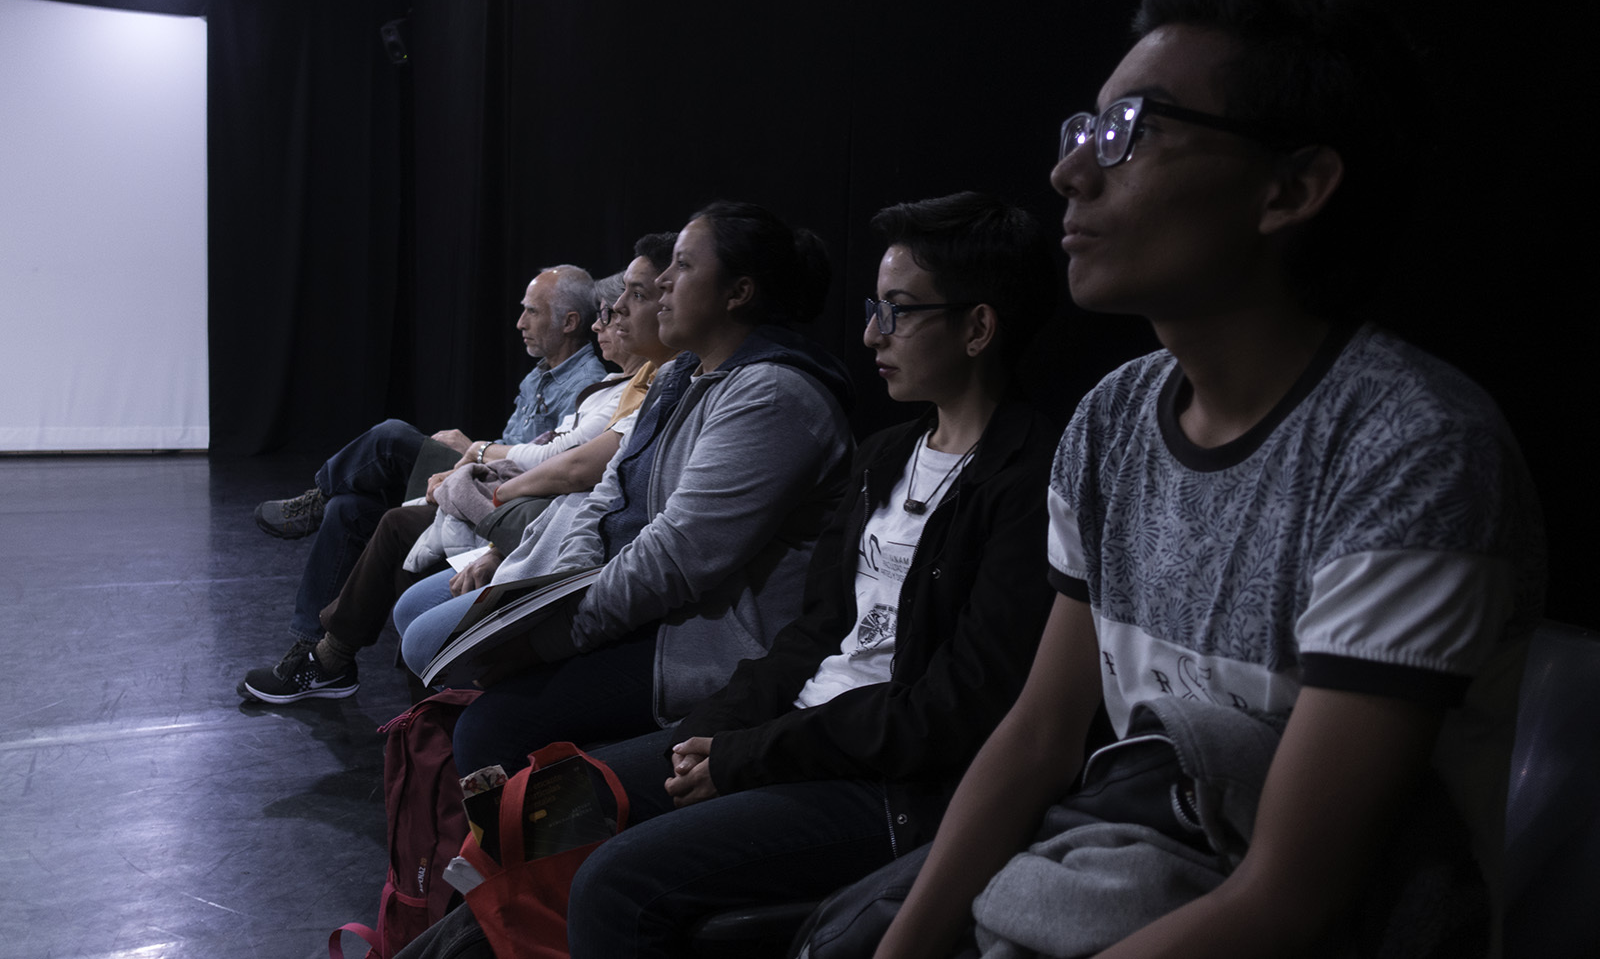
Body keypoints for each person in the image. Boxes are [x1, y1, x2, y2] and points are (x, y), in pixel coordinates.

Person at [867, 0, 1544, 959]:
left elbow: (1288, 899)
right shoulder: (1111, 418)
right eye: (1083, 130)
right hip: (1136, 872)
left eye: (1129, 130)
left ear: (1290, 188)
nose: (1070, 172)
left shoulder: (1412, 447)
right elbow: (1040, 734)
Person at [393, 191, 1062, 959]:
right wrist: (714, 728)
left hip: (881, 784)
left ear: (977, 328)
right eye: (873, 308)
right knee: (537, 814)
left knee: (608, 880)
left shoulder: (1026, 481)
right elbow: (814, 631)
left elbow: (947, 709)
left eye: (899, 311)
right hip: (782, 722)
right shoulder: (887, 454)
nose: (872, 332)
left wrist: (747, 749)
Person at [403, 201, 856, 776]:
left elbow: (673, 557)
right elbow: (605, 499)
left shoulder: (772, 396)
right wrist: (556, 593)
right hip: (634, 606)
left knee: (491, 728)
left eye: (683, 266)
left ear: (738, 293)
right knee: (433, 641)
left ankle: (525, 837)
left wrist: (546, 640)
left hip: (703, 639)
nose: (665, 281)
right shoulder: (678, 375)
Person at [238, 264, 651, 704]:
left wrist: (473, 452)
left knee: (392, 437)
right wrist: (478, 462)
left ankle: (320, 503)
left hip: (510, 494)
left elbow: (553, 463)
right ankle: (315, 652)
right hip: (498, 482)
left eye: (532, 312)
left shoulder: (593, 383)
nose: (520, 322)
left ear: (568, 322)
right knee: (350, 509)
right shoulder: (558, 377)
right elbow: (525, 452)